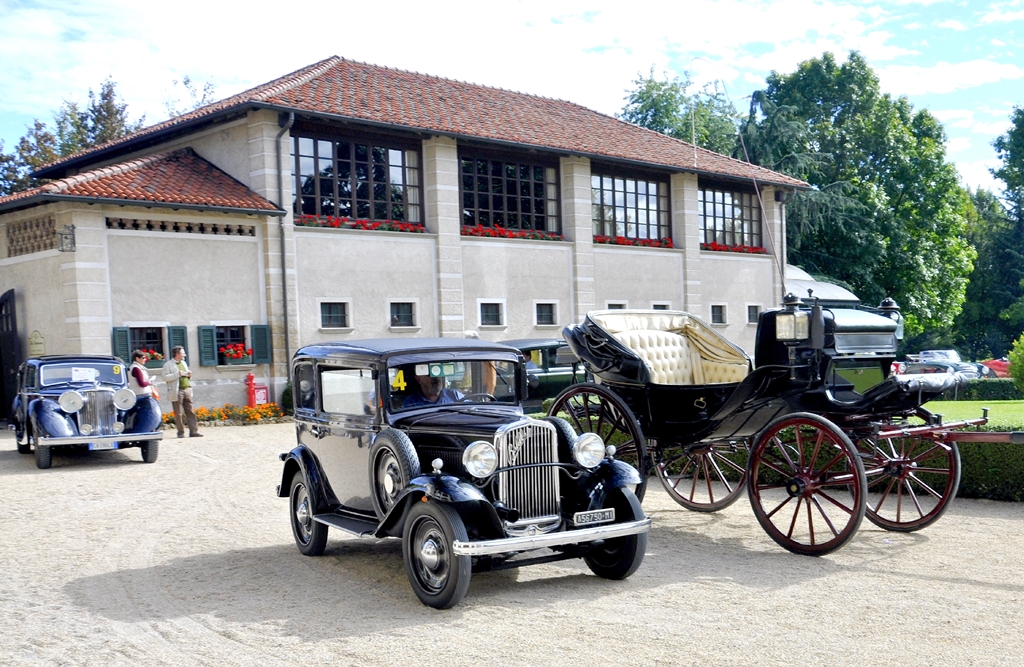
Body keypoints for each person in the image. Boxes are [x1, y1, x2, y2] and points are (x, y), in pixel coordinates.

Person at [162, 346, 202, 438]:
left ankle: (194, 431)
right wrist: (177, 374)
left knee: (190, 411)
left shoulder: (183, 363)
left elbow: (185, 375)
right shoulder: (168, 365)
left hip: (187, 388)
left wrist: (188, 375)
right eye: (183, 353)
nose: (185, 354)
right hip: (177, 390)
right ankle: (180, 432)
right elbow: (165, 377)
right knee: (178, 412)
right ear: (177, 354)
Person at [127, 350, 162, 433]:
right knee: (148, 414)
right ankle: (148, 429)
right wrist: (149, 382)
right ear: (137, 358)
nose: (145, 359)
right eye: (143, 358)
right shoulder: (136, 368)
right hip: (142, 394)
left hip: (140, 393)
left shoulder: (136, 367)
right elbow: (142, 383)